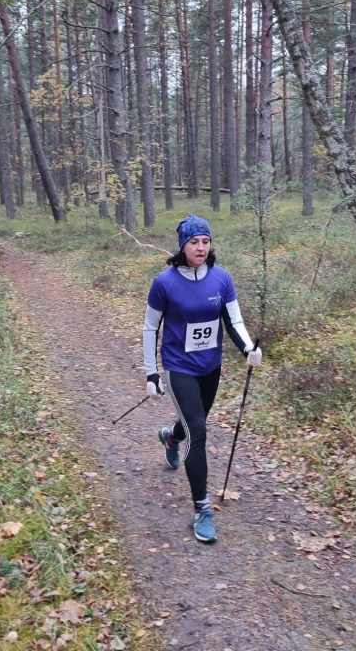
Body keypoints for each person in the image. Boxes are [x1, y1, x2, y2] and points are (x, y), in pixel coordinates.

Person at [142, 215, 262, 544]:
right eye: (194, 242)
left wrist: (248, 348)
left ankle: (171, 438)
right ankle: (202, 509)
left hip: (210, 367)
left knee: (194, 422)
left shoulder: (221, 278)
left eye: (205, 241)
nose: (201, 248)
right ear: (182, 246)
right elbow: (150, 328)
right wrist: (151, 372)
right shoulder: (164, 283)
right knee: (198, 430)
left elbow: (234, 321)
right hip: (179, 367)